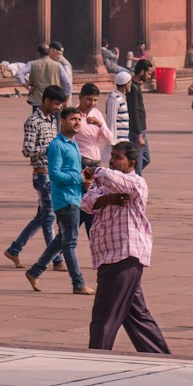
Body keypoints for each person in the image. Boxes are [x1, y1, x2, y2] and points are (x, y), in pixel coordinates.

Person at [81, 140, 170, 355]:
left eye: (118, 157)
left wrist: (96, 170)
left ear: (131, 162)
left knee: (105, 315)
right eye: (111, 155)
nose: (112, 161)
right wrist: (108, 198)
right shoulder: (105, 186)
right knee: (136, 314)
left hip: (124, 255)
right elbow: (86, 202)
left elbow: (118, 181)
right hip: (109, 256)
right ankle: (159, 355)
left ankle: (97, 355)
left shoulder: (136, 182)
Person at [24, 103, 93, 294]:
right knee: (70, 242)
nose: (77, 122)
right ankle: (78, 283)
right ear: (62, 122)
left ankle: (35, 271)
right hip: (65, 199)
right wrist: (77, 178)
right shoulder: (57, 145)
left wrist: (83, 183)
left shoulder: (73, 144)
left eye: (79, 119)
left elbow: (73, 172)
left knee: (61, 239)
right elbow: (54, 175)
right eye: (73, 119)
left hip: (75, 196)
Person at [4, 83, 68, 272]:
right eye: (56, 104)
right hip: (42, 174)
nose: (58, 108)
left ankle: (15, 249)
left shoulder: (51, 120)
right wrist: (48, 150)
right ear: (46, 101)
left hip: (53, 173)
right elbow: (27, 150)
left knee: (42, 217)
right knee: (49, 217)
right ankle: (56, 259)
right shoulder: (33, 121)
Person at [74, 81, 114, 231]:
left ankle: (63, 241)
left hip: (96, 164)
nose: (92, 103)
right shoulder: (75, 115)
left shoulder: (96, 114)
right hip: (82, 163)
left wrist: (100, 124)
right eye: (88, 99)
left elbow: (110, 139)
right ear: (80, 97)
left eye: (95, 100)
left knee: (91, 207)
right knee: (89, 207)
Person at [127, 59, 153, 175]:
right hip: (136, 130)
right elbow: (133, 112)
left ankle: (128, 175)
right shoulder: (133, 88)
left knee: (146, 158)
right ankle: (135, 183)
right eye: (148, 73)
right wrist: (138, 134)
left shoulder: (136, 86)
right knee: (137, 162)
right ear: (142, 72)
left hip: (141, 129)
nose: (149, 76)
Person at [28, 42, 67, 108]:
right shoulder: (58, 65)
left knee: (38, 117)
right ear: (49, 52)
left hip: (38, 99)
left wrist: (27, 86)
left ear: (38, 53)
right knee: (54, 118)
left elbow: (19, 74)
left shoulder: (32, 64)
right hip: (54, 99)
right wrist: (66, 97)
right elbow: (67, 82)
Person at [105, 70, 131, 142]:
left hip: (124, 140)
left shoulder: (122, 98)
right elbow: (111, 120)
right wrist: (112, 141)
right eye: (129, 83)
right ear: (126, 84)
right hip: (118, 141)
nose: (130, 85)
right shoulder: (114, 98)